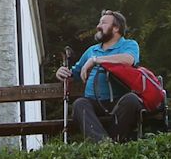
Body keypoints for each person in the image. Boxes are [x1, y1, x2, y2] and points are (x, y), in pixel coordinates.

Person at [57, 10, 144, 143]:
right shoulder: (92, 50)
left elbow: (129, 60)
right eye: (99, 22)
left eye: (103, 23)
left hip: (119, 102)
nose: (98, 26)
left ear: (116, 28)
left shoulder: (129, 45)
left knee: (132, 100)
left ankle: (112, 142)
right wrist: (62, 72)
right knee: (80, 104)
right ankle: (104, 144)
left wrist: (96, 60)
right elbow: (74, 74)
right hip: (94, 104)